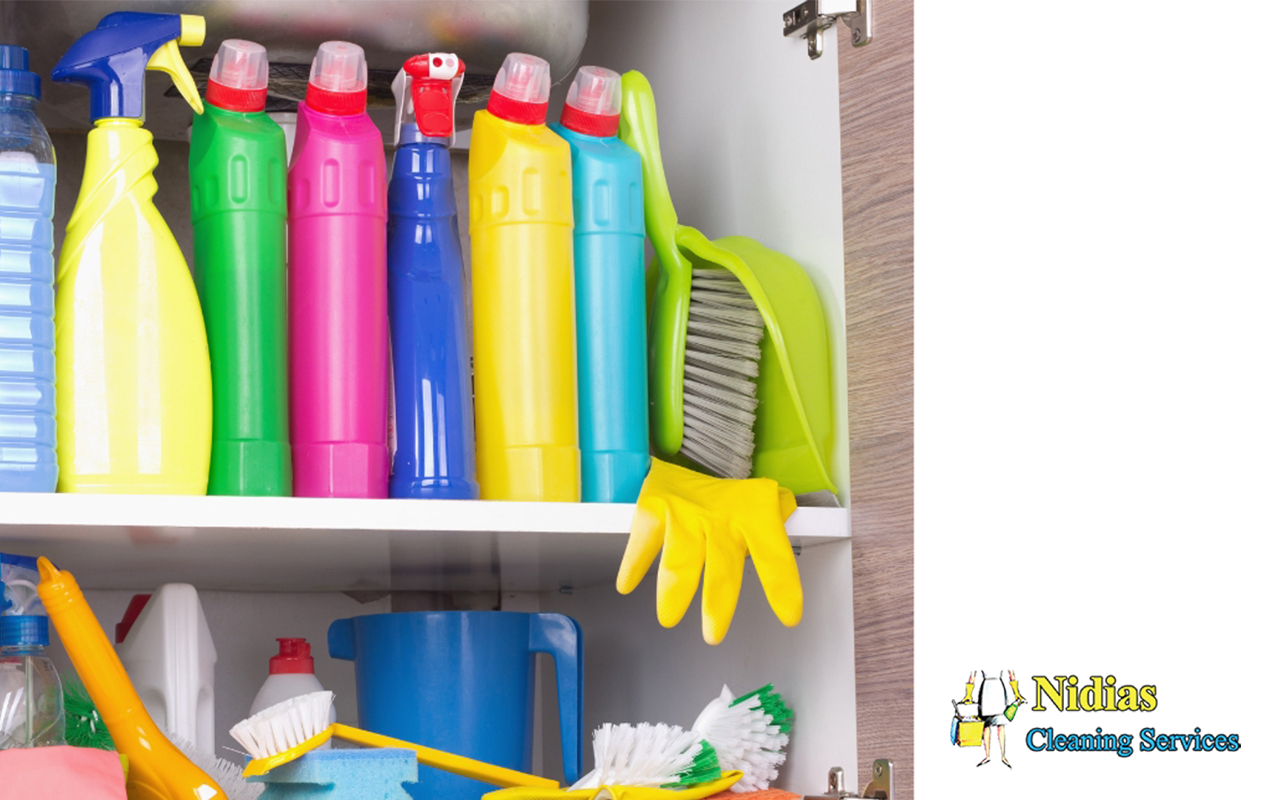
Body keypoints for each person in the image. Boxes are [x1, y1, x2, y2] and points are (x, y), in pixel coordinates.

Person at [965, 669, 1026, 768]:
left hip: (998, 690)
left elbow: (1011, 674)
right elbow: (973, 674)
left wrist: (1017, 693)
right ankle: (987, 756)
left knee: (1001, 723)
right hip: (986, 690)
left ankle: (1003, 755)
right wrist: (968, 694)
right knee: (986, 724)